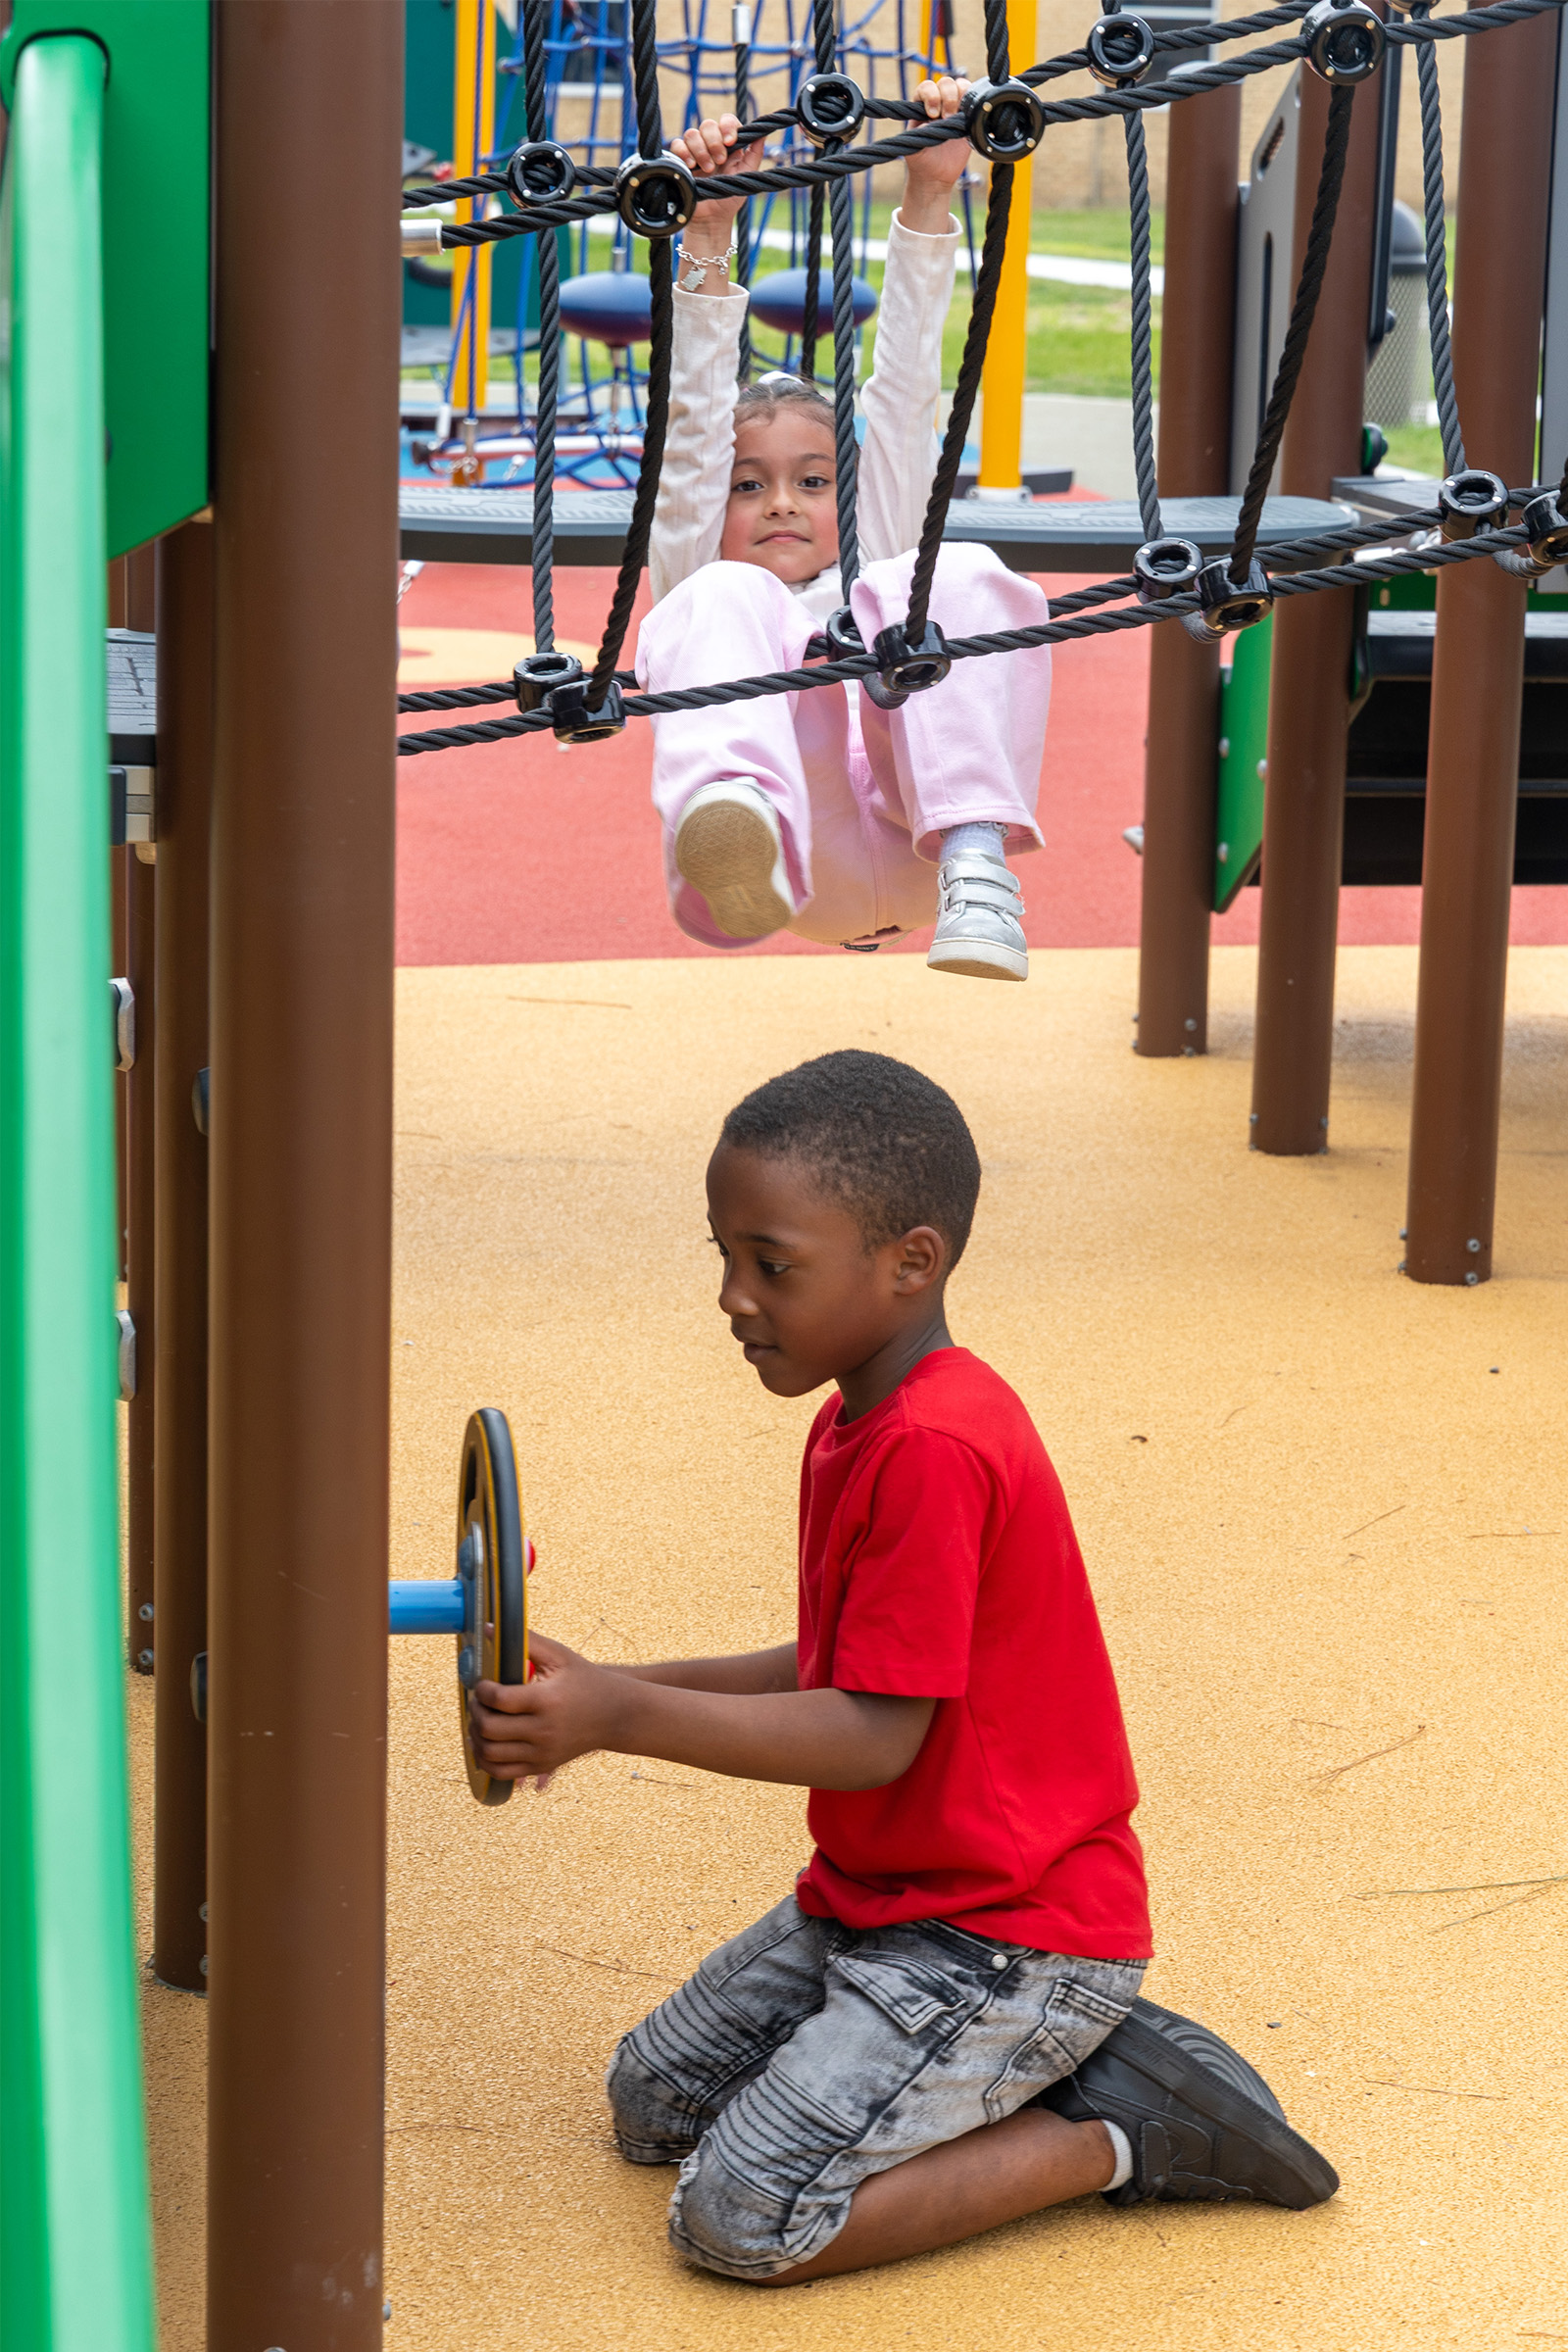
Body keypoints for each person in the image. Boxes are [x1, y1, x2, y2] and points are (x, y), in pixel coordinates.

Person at [468, 1051, 1338, 2284]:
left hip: (1010, 1932)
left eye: (771, 1264)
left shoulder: (932, 1443)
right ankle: (974, 2067)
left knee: (745, 2219)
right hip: (879, 1900)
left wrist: (614, 1716)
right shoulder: (853, 1417)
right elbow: (825, 1667)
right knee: (653, 2104)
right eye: (723, 1255)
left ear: (909, 1262)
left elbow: (874, 1733)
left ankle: (1123, 2128)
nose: (732, 1294)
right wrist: (611, 1677)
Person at [635, 82, 1054, 981]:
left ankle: (981, 861)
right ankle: (732, 814)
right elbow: (693, 429)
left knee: (951, 571)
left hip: (929, 836)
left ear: (850, 489)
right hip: (796, 857)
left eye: (814, 481)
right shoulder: (702, 571)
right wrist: (706, 236)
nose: (782, 502)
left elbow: (903, 390)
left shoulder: (879, 545)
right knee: (720, 597)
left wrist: (931, 193)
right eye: (749, 486)